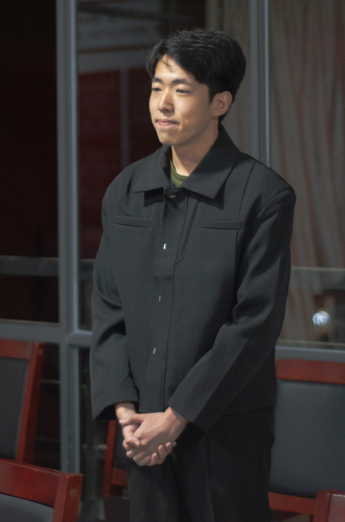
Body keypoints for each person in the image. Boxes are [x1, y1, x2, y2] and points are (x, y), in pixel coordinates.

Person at [90, 29, 296, 522]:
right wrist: (127, 413)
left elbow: (254, 324)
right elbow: (108, 310)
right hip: (143, 430)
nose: (162, 104)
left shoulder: (262, 195)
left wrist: (177, 417)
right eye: (156, 88)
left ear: (220, 102)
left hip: (225, 431)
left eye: (181, 90)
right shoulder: (126, 191)